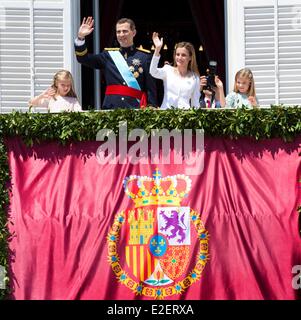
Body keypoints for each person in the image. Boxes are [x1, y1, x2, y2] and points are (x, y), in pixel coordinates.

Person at [74, 17, 157, 109]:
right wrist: (80, 38)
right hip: (112, 109)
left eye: (125, 31)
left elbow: (150, 86)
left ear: (133, 33)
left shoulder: (145, 57)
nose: (121, 34)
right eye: (118, 32)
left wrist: (151, 106)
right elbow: (83, 59)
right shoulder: (108, 56)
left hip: (136, 109)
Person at [149, 32, 200, 109]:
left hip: (185, 116)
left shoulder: (195, 77)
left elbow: (195, 103)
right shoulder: (168, 70)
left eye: (183, 55)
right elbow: (153, 72)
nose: (179, 58)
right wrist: (157, 49)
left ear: (190, 57)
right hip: (166, 115)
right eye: (177, 54)